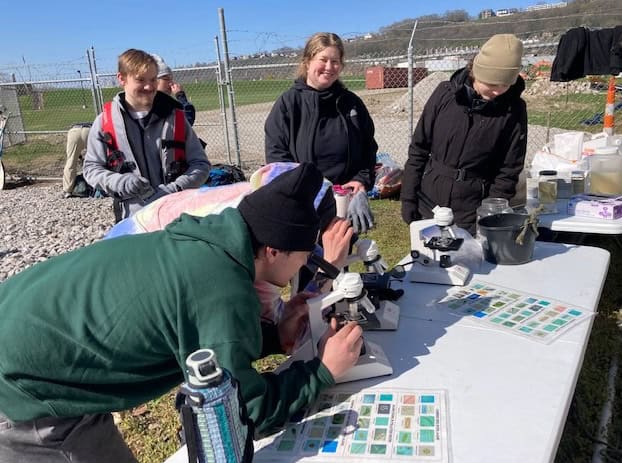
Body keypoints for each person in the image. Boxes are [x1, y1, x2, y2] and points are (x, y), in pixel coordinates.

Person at [0, 163, 363, 462]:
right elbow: (243, 412)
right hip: (24, 388)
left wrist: (272, 335)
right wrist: (323, 371)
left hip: (36, 338)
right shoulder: (219, 286)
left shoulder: (207, 242)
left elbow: (193, 335)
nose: (306, 262)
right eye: (304, 255)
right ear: (272, 251)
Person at [105, 161, 354, 351]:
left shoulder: (259, 207)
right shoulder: (250, 249)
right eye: (307, 251)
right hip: (132, 269)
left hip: (140, 233)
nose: (308, 257)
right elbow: (270, 329)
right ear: (276, 248)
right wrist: (329, 268)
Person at [400, 34, 528, 235]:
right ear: (476, 73)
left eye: (505, 85)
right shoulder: (445, 94)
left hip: (472, 208)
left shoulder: (514, 110)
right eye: (492, 84)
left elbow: (509, 169)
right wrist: (408, 198)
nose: (498, 91)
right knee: (427, 261)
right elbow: (419, 149)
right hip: (429, 201)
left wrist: (489, 214)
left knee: (469, 263)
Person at [264, 32, 378, 234]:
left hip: (344, 202)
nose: (329, 67)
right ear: (307, 62)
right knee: (304, 263)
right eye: (323, 60)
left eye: (335, 61)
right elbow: (277, 158)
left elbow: (369, 149)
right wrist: (306, 192)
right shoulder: (288, 104)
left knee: (339, 261)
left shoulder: (351, 103)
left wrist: (360, 182)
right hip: (303, 202)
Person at [83, 49, 210, 222]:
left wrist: (175, 189)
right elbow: (91, 169)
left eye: (153, 79)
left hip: (179, 217)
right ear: (122, 78)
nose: (149, 87)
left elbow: (201, 165)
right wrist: (121, 182)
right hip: (133, 220)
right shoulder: (105, 122)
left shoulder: (176, 118)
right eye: (140, 80)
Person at [152, 53, 196, 126]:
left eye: (171, 79)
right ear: (153, 81)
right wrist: (181, 97)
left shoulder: (167, 103)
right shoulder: (151, 105)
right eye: (166, 79)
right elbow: (184, 124)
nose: (171, 83)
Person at [62, 122, 91, 197]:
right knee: (95, 160)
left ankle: (67, 190)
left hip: (74, 131)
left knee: (71, 161)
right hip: (89, 130)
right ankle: (98, 186)